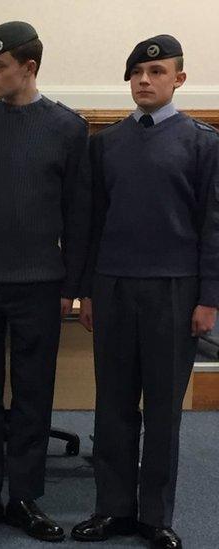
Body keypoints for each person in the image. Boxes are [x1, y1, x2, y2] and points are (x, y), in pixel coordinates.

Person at [71, 35, 218, 549]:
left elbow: (213, 226)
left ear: (178, 78)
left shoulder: (203, 143)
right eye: (136, 72)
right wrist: (86, 289)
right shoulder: (105, 143)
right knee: (111, 405)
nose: (144, 80)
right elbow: (91, 223)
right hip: (112, 287)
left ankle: (155, 516)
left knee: (162, 410)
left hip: (174, 292)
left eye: (156, 71)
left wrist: (209, 299)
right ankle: (112, 509)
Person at [0, 21, 90, 542]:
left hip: (40, 283)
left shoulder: (68, 129)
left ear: (29, 68)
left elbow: (79, 215)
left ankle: (25, 497)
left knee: (34, 392)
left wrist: (73, 284)